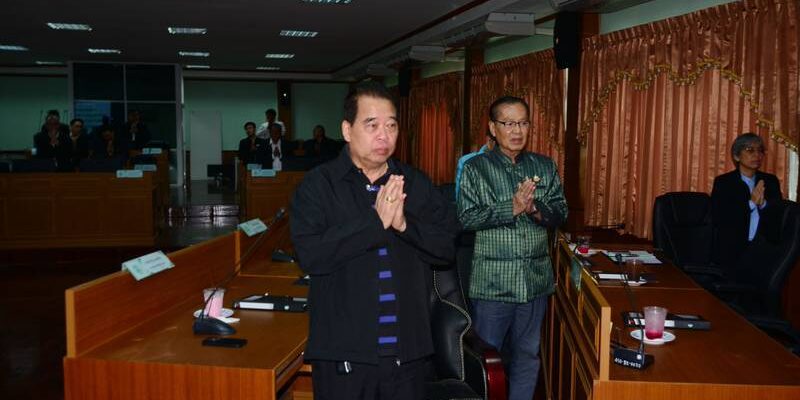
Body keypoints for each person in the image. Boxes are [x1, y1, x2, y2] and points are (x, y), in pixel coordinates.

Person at [290, 81, 457, 400]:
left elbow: (446, 249)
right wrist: (375, 223)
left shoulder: (415, 183)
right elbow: (311, 255)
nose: (384, 135)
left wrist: (405, 225)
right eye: (372, 125)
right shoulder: (318, 186)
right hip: (344, 356)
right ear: (347, 130)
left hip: (408, 354)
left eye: (391, 125)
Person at [456, 96, 567, 400]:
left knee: (527, 356)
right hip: (493, 283)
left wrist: (533, 209)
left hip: (534, 282)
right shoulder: (475, 168)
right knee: (487, 359)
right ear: (493, 128)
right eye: (508, 123)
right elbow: (466, 217)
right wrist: (512, 207)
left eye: (523, 123)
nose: (517, 130)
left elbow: (561, 212)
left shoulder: (544, 166)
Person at [711, 133, 783, 274]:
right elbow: (721, 217)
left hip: (764, 248)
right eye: (750, 150)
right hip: (733, 250)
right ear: (737, 156)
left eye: (760, 151)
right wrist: (751, 204)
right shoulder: (724, 183)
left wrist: (763, 204)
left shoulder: (770, 181)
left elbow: (779, 214)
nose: (757, 155)